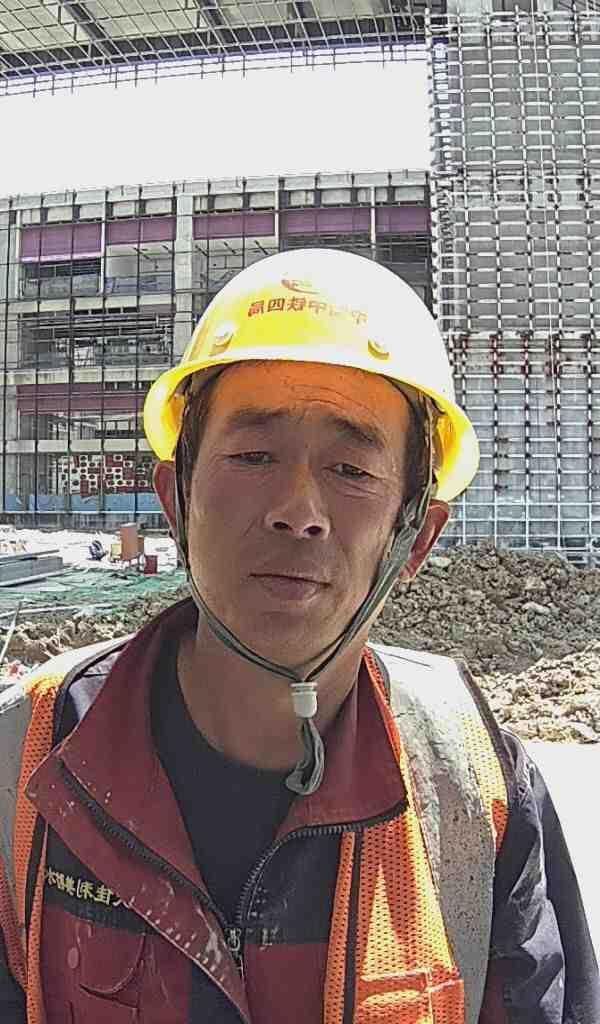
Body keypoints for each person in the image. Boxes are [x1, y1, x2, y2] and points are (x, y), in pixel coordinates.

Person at [0, 248, 597, 1024]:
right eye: (253, 455)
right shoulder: (28, 755)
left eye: (352, 470)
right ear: (175, 497)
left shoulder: (476, 793)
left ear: (416, 536)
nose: (297, 510)